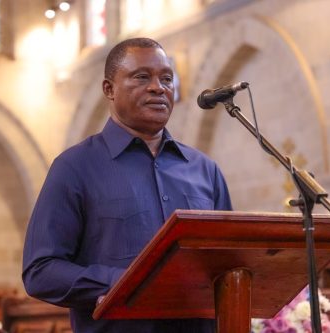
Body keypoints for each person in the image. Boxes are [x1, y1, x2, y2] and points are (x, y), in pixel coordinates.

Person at [22, 37, 232, 333]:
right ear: (109, 89)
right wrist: (122, 282)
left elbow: (229, 261)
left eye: (167, 78)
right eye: (142, 77)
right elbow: (40, 271)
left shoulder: (204, 170)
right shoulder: (74, 167)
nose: (158, 87)